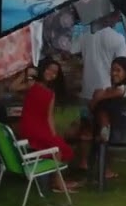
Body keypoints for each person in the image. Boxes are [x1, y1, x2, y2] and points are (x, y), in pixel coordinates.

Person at [66, 13, 126, 168]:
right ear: (111, 19)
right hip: (107, 92)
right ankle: (104, 167)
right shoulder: (117, 38)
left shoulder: (86, 35)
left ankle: (84, 163)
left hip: (88, 88)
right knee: (105, 129)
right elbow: (123, 63)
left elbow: (70, 50)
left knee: (86, 128)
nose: (117, 21)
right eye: (116, 18)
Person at [16, 58, 83, 193]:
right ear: (43, 69)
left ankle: (56, 181)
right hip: (30, 126)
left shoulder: (51, 93)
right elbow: (13, 87)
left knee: (60, 145)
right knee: (56, 149)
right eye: (49, 70)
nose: (51, 73)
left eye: (55, 72)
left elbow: (49, 116)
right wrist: (27, 71)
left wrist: (53, 134)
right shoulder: (32, 84)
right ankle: (58, 183)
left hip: (42, 126)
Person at [84, 57, 126, 180]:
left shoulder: (121, 89)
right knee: (102, 109)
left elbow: (94, 102)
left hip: (120, 134)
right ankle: (103, 169)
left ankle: (87, 165)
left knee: (99, 110)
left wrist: (100, 95)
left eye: (118, 70)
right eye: (112, 70)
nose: (113, 73)